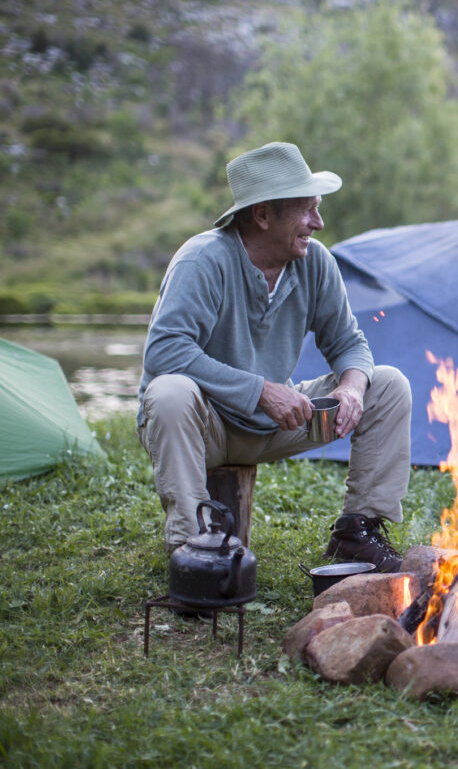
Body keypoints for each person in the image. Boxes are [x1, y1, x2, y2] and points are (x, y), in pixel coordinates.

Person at [137, 142, 412, 570]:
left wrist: (351, 389)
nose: (318, 223)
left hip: (272, 426)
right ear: (263, 215)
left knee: (388, 385)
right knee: (169, 392)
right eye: (307, 210)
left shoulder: (316, 262)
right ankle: (194, 551)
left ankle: (357, 534)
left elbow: (349, 343)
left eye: (317, 209)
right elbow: (164, 351)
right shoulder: (202, 260)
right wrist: (261, 391)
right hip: (204, 426)